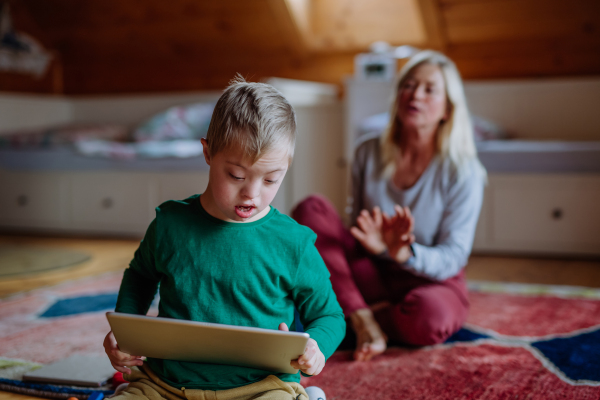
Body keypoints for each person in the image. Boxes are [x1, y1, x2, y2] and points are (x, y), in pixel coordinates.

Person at [103, 77, 345, 400]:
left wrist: (317, 349)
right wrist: (125, 332)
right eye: (236, 176)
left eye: (271, 179)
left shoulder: (294, 243)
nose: (252, 193)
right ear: (207, 152)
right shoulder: (170, 225)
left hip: (262, 387)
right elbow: (140, 276)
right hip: (164, 385)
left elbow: (329, 315)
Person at [292, 50, 486, 362]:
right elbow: (355, 229)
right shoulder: (368, 151)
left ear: (447, 109)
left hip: (430, 281)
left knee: (430, 317)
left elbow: (453, 256)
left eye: (429, 89)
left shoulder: (464, 171)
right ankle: (362, 319)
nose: (415, 95)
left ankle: (341, 314)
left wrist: (404, 253)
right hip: (371, 273)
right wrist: (377, 247)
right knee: (311, 208)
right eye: (408, 85)